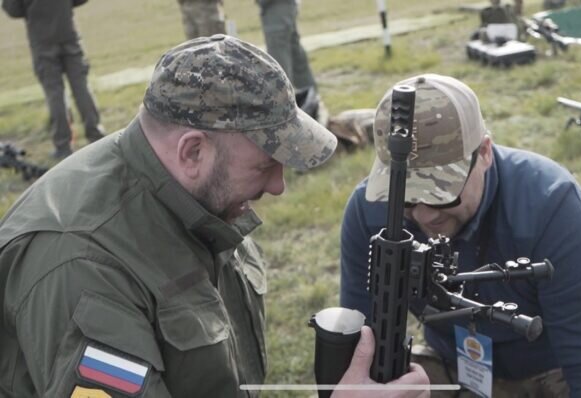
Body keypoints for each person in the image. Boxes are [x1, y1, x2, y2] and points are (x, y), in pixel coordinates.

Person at [0, 35, 428, 398]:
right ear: (192, 152)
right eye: (264, 165)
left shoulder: (193, 195)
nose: (278, 186)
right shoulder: (80, 266)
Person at [340, 73, 581, 398]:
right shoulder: (369, 211)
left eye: (441, 193)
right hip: (451, 367)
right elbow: (359, 351)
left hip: (555, 371)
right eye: (406, 200)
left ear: (484, 152)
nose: (424, 214)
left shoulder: (549, 203)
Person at [2, 0, 105, 159]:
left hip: (41, 40)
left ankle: (63, 145)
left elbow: (12, 9)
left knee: (54, 93)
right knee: (81, 87)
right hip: (68, 33)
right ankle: (96, 134)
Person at [256, 0, 325, 123]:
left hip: (276, 5)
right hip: (279, 5)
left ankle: (286, 113)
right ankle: (311, 104)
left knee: (278, 58)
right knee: (293, 53)